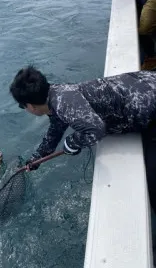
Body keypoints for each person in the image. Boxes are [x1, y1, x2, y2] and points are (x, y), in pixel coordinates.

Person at [10, 65, 156, 212]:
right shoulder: (57, 93)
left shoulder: (62, 104)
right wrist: (36, 158)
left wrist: (72, 142)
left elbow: (96, 129)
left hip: (150, 104)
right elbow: (56, 128)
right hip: (146, 81)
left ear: (30, 106)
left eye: (22, 107)